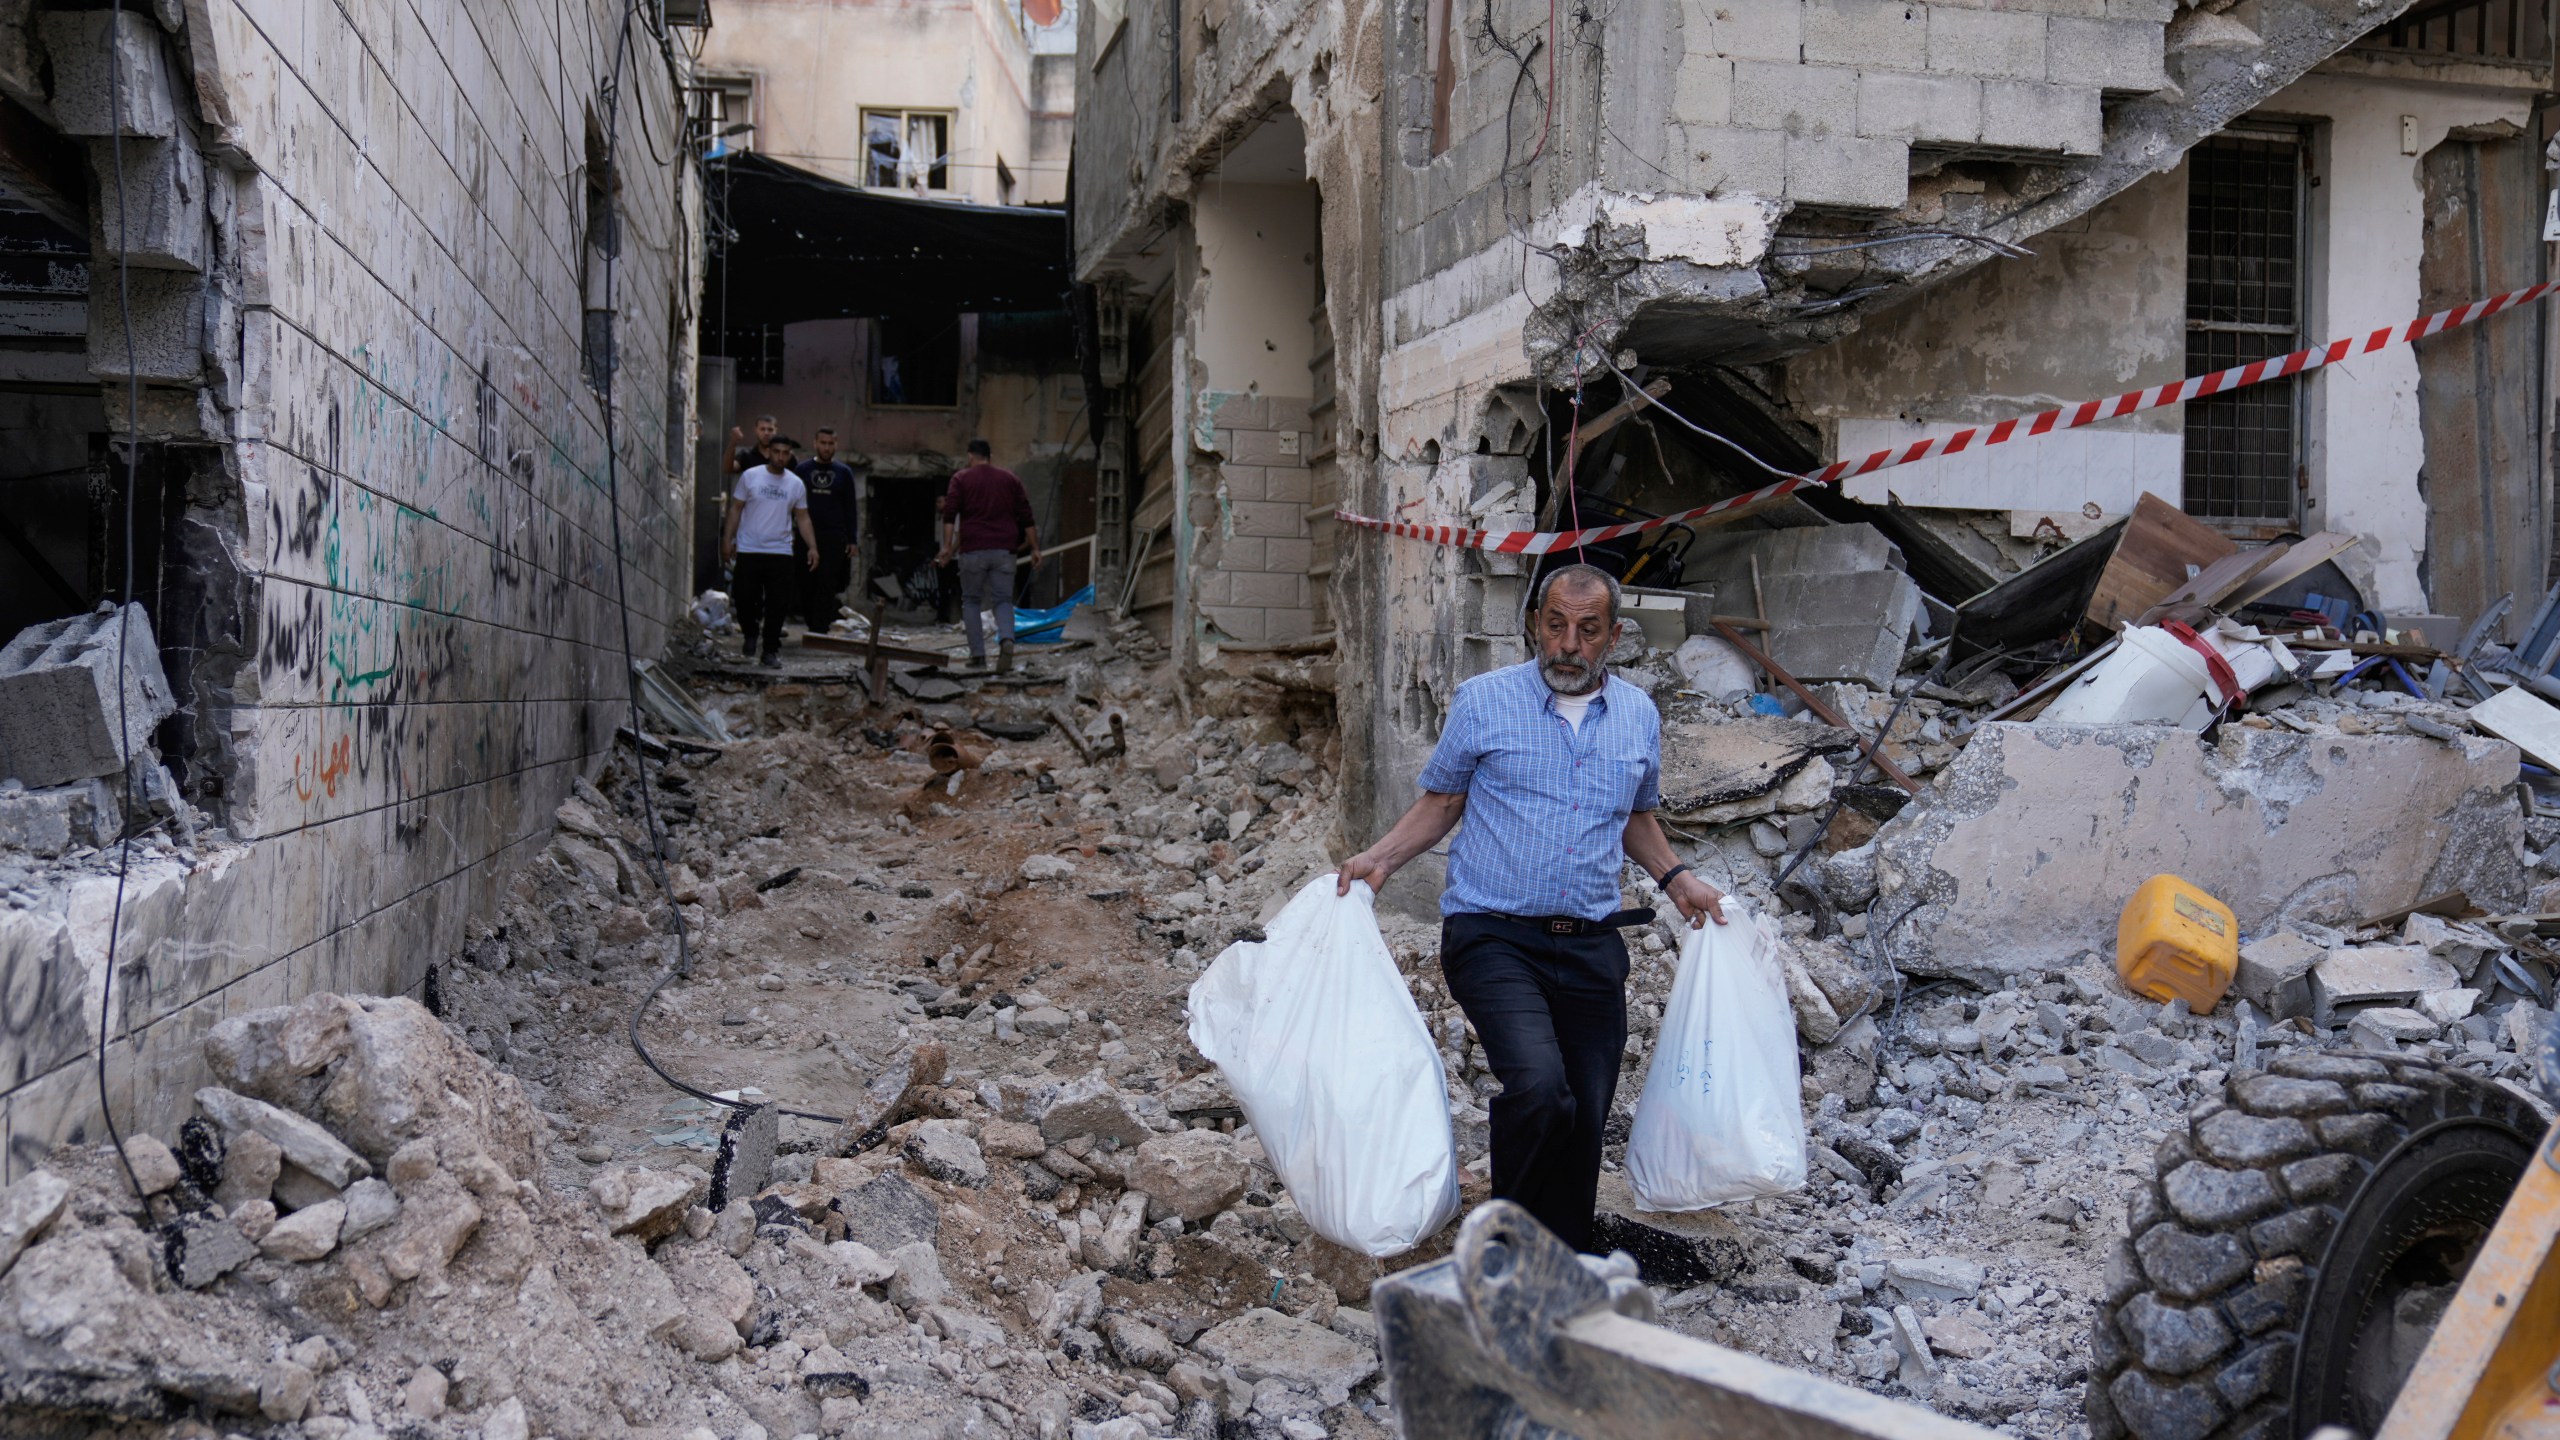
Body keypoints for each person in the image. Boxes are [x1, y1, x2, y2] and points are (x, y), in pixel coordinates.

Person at [1334, 563, 1727, 1253]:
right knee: (1540, 1087)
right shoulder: (1484, 702)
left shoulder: (1637, 714)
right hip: (1493, 936)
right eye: (1555, 625)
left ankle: (1565, 1261)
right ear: (1533, 625)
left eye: (1587, 630)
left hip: (1592, 941)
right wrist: (1381, 861)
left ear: (1614, 638)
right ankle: (1504, 1245)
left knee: (1584, 1111)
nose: (1567, 644)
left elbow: (1636, 817)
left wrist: (1677, 877)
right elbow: (1443, 800)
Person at [935, 439, 1041, 673]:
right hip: (1005, 550)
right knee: (1003, 600)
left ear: (970, 456)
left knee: (971, 601)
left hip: (973, 550)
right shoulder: (1010, 478)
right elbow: (1027, 515)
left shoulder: (961, 478)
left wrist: (946, 547)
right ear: (990, 457)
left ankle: (979, 656)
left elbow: (950, 515)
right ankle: (1007, 640)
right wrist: (1035, 548)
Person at [722, 435, 818, 667]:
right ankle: (751, 634)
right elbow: (736, 509)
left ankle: (770, 651)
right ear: (769, 452)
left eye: (786, 453)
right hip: (749, 548)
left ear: (790, 455)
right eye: (776, 451)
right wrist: (727, 539)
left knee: (778, 604)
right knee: (744, 599)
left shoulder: (795, 483)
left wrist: (813, 547)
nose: (781, 456)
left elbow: (803, 517)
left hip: (781, 552)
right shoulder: (751, 476)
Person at [796, 427, 859, 630]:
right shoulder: (802, 470)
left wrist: (852, 539)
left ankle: (819, 629)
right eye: (822, 443)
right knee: (806, 583)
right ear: (815, 444)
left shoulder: (844, 472)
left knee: (828, 583)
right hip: (806, 536)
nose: (826, 447)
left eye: (830, 443)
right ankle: (810, 623)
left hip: (834, 536)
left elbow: (851, 507)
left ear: (836, 445)